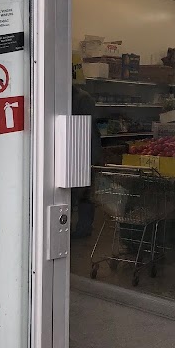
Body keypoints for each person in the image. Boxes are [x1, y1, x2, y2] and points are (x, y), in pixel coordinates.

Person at [71, 82, 102, 238]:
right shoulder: (73, 97)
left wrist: (92, 159)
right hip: (75, 151)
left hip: (84, 152)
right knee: (79, 193)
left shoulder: (82, 99)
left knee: (84, 193)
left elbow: (88, 129)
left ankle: (84, 228)